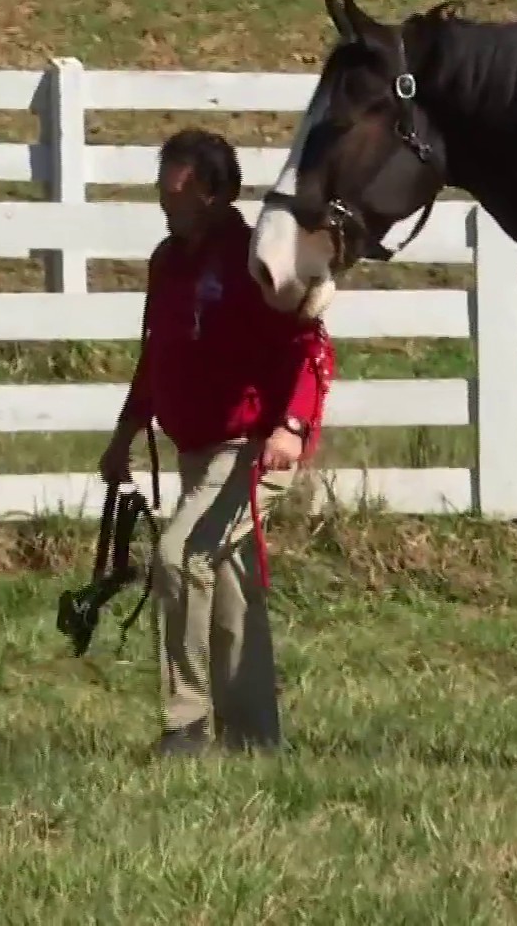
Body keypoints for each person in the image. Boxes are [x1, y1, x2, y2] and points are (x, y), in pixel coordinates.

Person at [100, 126, 335, 759]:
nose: (162, 199)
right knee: (231, 597)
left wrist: (291, 426)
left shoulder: (256, 260)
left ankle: (188, 724)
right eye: (162, 186)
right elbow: (158, 353)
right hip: (195, 454)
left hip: (249, 449)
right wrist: (126, 432)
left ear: (212, 191)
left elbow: (311, 346)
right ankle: (256, 742)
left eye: (174, 187)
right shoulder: (168, 261)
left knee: (178, 558)